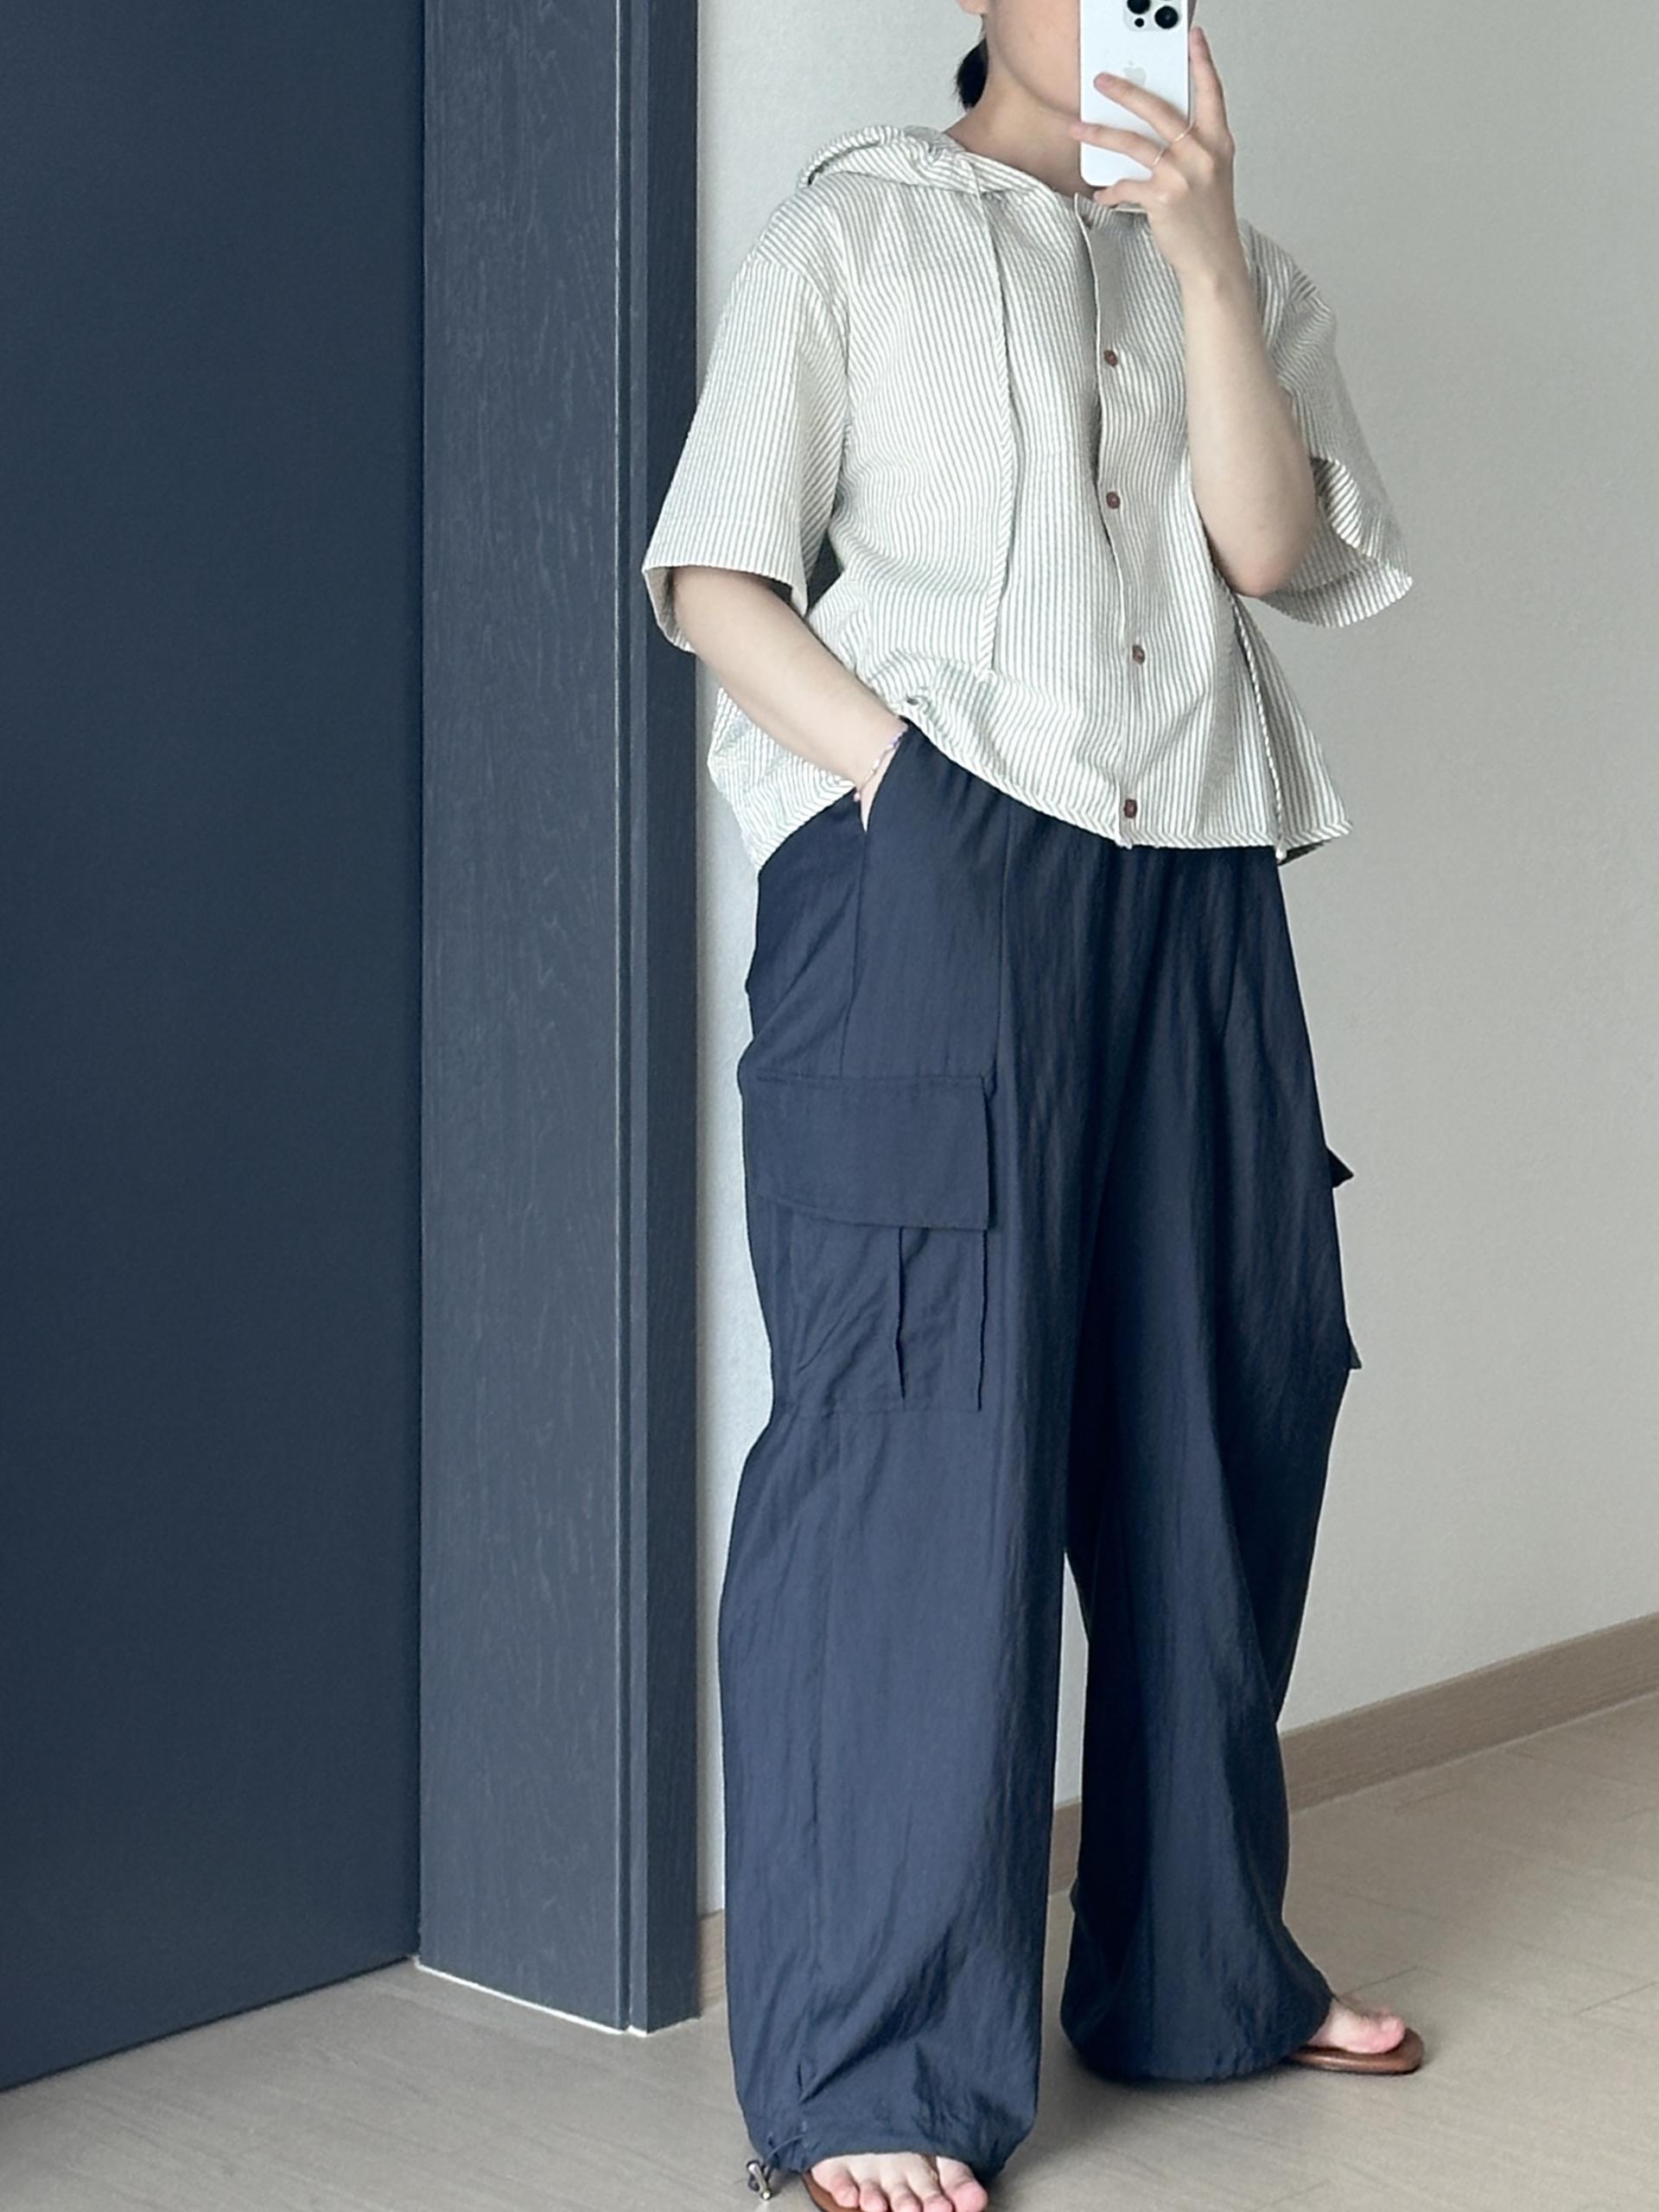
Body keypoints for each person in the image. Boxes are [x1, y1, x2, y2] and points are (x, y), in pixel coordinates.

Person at [639, 9, 1421, 2211]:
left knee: (1219, 1407)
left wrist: (1207, 251)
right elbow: (714, 572)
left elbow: (1266, 553)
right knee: (916, 1434)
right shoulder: (854, 233)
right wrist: (906, 787)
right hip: (941, 871)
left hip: (1200, 881)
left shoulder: (1238, 266)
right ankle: (869, 2060)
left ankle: (1200, 1971)